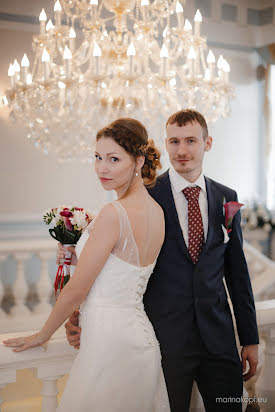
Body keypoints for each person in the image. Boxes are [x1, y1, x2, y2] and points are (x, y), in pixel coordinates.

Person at [63, 109, 259, 412]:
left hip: (219, 342)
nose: (182, 150)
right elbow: (114, 262)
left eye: (191, 140)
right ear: (165, 145)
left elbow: (237, 274)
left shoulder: (226, 197)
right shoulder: (148, 196)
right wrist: (80, 313)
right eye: (174, 141)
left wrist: (250, 338)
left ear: (207, 143)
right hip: (165, 341)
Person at [3, 118, 171, 412]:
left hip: (110, 343)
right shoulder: (157, 212)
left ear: (138, 161)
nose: (102, 168)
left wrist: (43, 334)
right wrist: (77, 253)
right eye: (97, 157)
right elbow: (124, 265)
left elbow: (78, 288)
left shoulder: (113, 213)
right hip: (140, 338)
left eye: (113, 159)